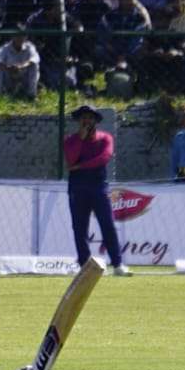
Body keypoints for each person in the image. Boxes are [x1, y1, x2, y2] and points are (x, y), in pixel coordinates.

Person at [64, 105, 130, 275]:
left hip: (98, 187)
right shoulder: (71, 140)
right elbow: (71, 159)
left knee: (107, 224)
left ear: (95, 121)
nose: (87, 121)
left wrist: (80, 166)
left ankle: (117, 264)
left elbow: (104, 158)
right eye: (83, 118)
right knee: (79, 228)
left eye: (90, 118)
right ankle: (85, 265)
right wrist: (81, 139)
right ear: (79, 121)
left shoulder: (105, 138)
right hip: (77, 188)